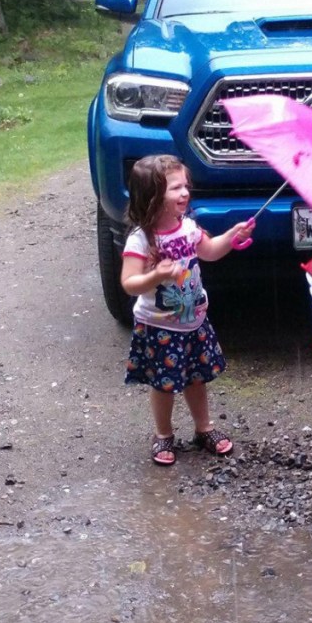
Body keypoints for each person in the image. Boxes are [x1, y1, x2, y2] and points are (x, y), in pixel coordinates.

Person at [121, 154, 255, 466]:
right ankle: (163, 434)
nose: (185, 193)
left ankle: (203, 427)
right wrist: (155, 276)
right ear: (152, 196)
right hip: (159, 327)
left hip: (194, 322)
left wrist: (232, 237)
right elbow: (129, 283)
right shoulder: (141, 240)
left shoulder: (189, 228)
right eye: (175, 188)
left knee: (197, 378)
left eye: (185, 186)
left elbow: (210, 252)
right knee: (163, 384)